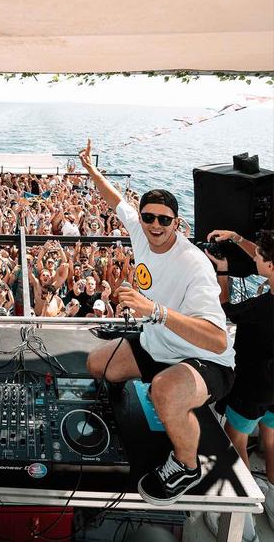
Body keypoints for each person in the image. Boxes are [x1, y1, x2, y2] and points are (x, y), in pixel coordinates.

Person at [79, 138, 235, 506]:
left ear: (177, 223)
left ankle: (186, 465)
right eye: (148, 217)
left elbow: (217, 340)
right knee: (97, 365)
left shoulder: (194, 265)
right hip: (158, 345)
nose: (155, 224)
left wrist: (155, 311)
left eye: (164, 219)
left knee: (163, 391)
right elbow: (116, 201)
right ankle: (144, 390)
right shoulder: (140, 231)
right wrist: (91, 171)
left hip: (204, 360)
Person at [203, 228, 274, 541]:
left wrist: (222, 271)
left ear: (270, 265)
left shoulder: (261, 309)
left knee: (235, 443)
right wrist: (235, 238)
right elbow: (264, 254)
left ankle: (242, 519)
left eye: (259, 255)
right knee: (272, 441)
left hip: (253, 387)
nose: (254, 256)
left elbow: (223, 310)